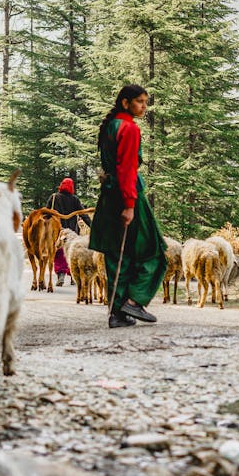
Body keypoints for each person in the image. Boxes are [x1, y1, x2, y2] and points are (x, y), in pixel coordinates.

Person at [88, 84, 168, 328]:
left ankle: (117, 313)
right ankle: (134, 301)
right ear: (125, 103)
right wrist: (130, 205)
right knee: (153, 250)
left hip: (108, 195)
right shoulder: (129, 128)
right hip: (128, 195)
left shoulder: (110, 127)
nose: (144, 106)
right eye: (140, 101)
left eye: (145, 102)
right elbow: (127, 169)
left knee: (117, 253)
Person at [47, 177, 85, 286]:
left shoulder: (54, 197)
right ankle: (73, 276)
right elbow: (83, 214)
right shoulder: (75, 199)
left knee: (59, 253)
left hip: (58, 231)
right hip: (72, 231)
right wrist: (92, 225)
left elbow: (47, 212)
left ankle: (61, 275)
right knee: (72, 253)